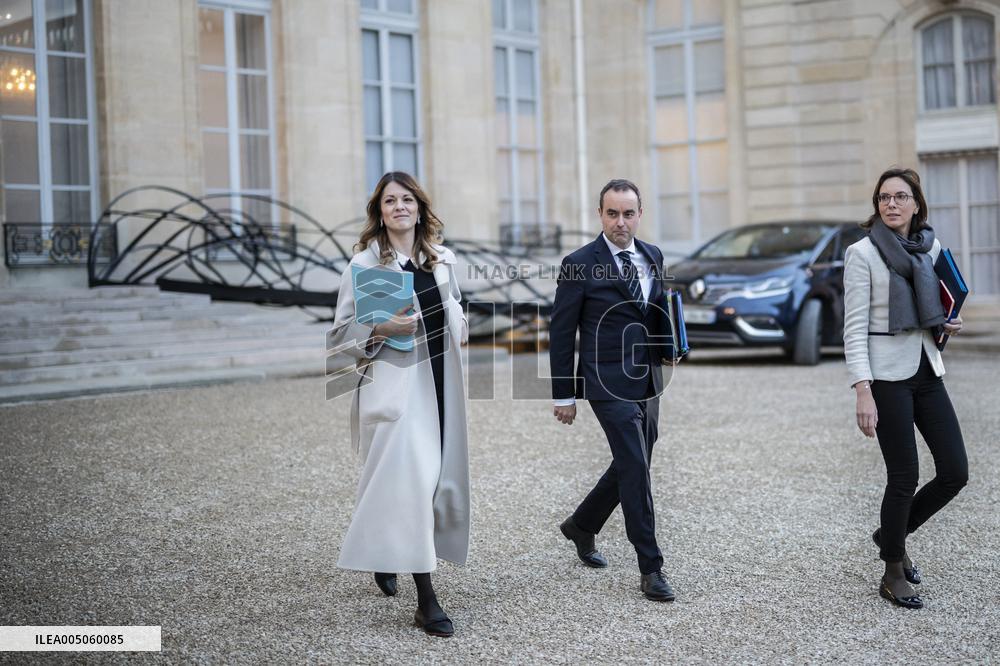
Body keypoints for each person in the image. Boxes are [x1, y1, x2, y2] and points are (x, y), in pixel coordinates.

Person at [329, 171, 470, 636]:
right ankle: (427, 601)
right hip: (398, 392)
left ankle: (388, 553)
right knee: (410, 483)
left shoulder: (442, 260)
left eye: (406, 199)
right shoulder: (365, 267)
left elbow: (458, 311)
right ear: (380, 212)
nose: (399, 207)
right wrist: (380, 330)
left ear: (420, 207)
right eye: (390, 201)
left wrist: (457, 323)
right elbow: (337, 341)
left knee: (432, 482)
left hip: (442, 386)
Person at [843, 167, 968, 610]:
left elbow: (933, 305)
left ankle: (889, 534)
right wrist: (862, 389)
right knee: (904, 476)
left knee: (956, 471)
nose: (891, 204)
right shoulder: (862, 254)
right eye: (883, 198)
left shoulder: (929, 246)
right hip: (886, 377)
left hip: (926, 368)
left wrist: (946, 323)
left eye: (900, 197)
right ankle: (892, 568)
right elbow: (854, 328)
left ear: (916, 204)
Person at [549, 178, 677, 602]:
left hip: (647, 379)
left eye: (628, 213)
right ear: (600, 215)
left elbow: (655, 307)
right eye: (612, 213)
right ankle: (651, 567)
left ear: (640, 215)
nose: (620, 221)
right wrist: (564, 394)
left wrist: (668, 347)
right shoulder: (579, 263)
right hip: (605, 381)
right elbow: (562, 333)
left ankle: (582, 526)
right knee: (637, 467)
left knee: (631, 461)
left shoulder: (653, 255)